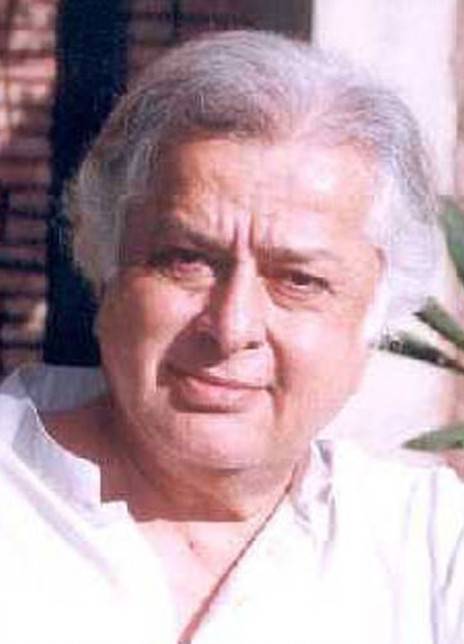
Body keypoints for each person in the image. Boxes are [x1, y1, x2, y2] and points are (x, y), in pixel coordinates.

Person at [0, 30, 463, 644]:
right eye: (187, 260)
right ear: (104, 265)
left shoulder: (431, 551)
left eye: (299, 280)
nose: (231, 326)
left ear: (376, 319)